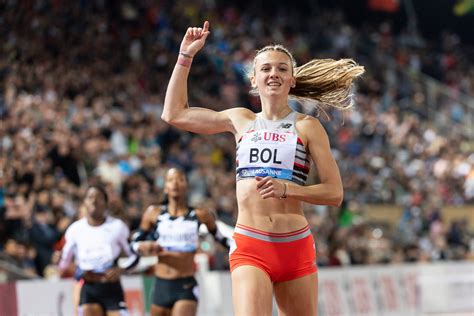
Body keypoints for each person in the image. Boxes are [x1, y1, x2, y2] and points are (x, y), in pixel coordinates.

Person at [161, 21, 364, 316]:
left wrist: (288, 189)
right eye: (266, 68)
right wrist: (185, 57)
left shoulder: (308, 126)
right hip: (250, 245)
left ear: (292, 80)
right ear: (254, 79)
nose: (274, 74)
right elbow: (173, 113)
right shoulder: (239, 119)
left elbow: (334, 193)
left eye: (282, 69)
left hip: (294, 246)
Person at [131, 167, 229, 316]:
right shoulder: (154, 213)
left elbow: (221, 238)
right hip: (161, 285)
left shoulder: (200, 214)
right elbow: (134, 243)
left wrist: (239, 250)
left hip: (185, 285)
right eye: (171, 180)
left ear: (187, 186)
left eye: (180, 179)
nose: (175, 183)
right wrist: (143, 246)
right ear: (165, 187)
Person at [58, 185, 139, 316]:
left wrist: (121, 270)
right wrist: (70, 268)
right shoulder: (75, 230)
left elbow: (134, 256)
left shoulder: (117, 227)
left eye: (99, 198)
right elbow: (64, 262)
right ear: (84, 202)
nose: (94, 201)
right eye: (90, 197)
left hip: (111, 288)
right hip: (88, 287)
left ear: (106, 203)